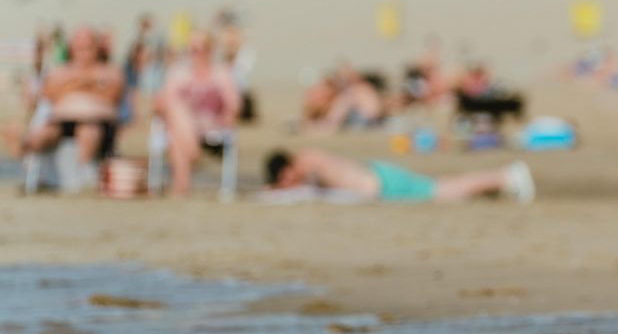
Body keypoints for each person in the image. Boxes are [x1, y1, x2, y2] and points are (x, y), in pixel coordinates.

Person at [5, 25, 125, 168]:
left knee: (88, 132)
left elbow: (113, 92)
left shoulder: (109, 70)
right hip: (61, 120)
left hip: (96, 121)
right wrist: (89, 83)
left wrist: (72, 84)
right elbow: (50, 92)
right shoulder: (61, 71)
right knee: (44, 133)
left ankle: (81, 173)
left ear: (96, 47)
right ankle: (23, 146)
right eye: (80, 48)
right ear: (72, 48)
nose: (84, 53)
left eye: (88, 48)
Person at [263, 147, 534, 203]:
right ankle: (499, 182)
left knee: (443, 190)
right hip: (380, 177)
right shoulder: (309, 159)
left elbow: (306, 185)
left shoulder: (307, 161)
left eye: (285, 179)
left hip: (382, 182)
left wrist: (280, 191)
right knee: (443, 189)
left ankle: (505, 177)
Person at [153, 29, 241, 195]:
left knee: (176, 122)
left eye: (203, 48)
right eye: (193, 49)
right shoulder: (178, 73)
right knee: (176, 110)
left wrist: (228, 117)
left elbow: (234, 106)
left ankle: (180, 186)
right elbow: (160, 103)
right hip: (180, 124)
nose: (198, 54)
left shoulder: (221, 74)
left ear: (211, 49)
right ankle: (191, 158)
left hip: (210, 123)